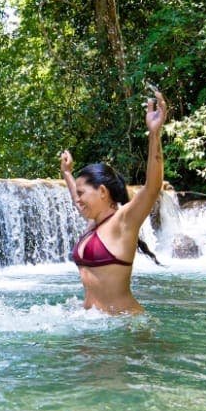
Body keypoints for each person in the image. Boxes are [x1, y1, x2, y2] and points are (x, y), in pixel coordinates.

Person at [59, 87, 168, 315]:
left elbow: (152, 187)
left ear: (102, 192)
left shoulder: (124, 221)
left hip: (126, 327)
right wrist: (67, 174)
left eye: (82, 193)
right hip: (94, 326)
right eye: (76, 194)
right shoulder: (93, 225)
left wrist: (154, 135)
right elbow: (76, 200)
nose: (78, 200)